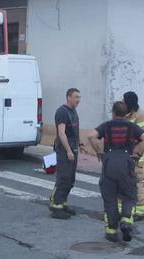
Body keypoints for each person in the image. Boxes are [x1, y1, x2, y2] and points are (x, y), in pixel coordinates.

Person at [87, 100, 144, 243]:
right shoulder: (131, 127)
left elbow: (91, 135)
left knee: (110, 198)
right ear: (125, 113)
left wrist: (99, 152)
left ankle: (111, 231)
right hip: (126, 164)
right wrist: (137, 154)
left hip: (109, 163)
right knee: (129, 196)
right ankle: (126, 220)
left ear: (113, 113)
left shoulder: (106, 126)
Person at [48, 87, 81, 219]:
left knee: (70, 179)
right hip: (64, 149)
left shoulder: (73, 111)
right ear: (68, 97)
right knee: (63, 178)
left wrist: (80, 144)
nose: (78, 100)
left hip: (73, 147)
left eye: (79, 97)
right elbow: (62, 133)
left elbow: (74, 131)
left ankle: (63, 203)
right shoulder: (62, 112)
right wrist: (68, 150)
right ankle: (56, 206)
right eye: (76, 97)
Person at [123, 91, 144, 221]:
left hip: (136, 155)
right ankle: (130, 208)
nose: (122, 103)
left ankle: (139, 211)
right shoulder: (128, 113)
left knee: (137, 182)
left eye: (124, 102)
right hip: (127, 153)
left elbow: (141, 137)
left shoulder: (140, 116)